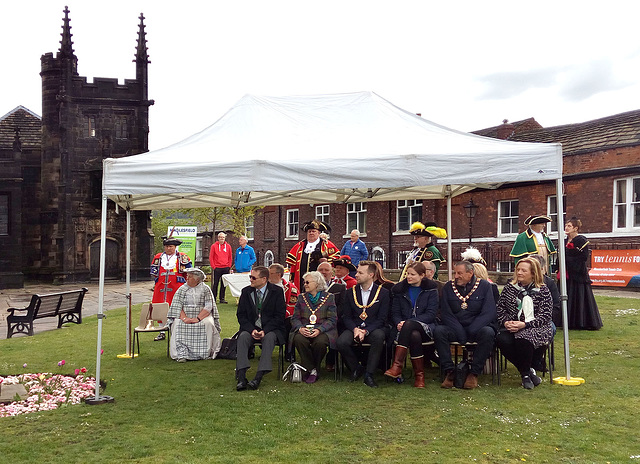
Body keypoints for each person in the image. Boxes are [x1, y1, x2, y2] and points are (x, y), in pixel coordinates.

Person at [435, 261, 497, 389]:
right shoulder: (448, 287)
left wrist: (473, 329)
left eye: (460, 273)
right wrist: (459, 331)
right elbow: (446, 313)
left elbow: (488, 311)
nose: (456, 276)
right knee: (439, 331)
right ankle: (449, 371)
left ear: (470, 273)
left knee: (488, 333)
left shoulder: (485, 286)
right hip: (455, 327)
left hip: (477, 327)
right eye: (455, 273)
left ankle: (474, 373)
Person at [496, 257, 554, 389]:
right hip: (512, 326)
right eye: (518, 270)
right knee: (501, 339)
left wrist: (524, 325)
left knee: (524, 337)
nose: (519, 273)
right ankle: (528, 372)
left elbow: (545, 316)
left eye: (523, 270)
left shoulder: (543, 291)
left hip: (536, 327)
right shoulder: (510, 288)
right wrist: (506, 322)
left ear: (533, 273)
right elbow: (500, 309)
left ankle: (525, 376)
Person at [384, 262, 439, 388]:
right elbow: (395, 312)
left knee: (410, 326)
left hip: (425, 327)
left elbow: (431, 314)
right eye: (407, 273)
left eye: (412, 274)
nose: (408, 276)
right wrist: (399, 322)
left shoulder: (431, 290)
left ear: (422, 275)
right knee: (414, 335)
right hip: (404, 329)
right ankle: (419, 377)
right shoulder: (399, 291)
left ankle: (397, 366)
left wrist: (408, 323)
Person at [337, 261, 390, 388]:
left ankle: (369, 374)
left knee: (378, 337)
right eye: (357, 272)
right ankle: (356, 367)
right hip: (354, 327)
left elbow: (382, 318)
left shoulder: (383, 293)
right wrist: (355, 329)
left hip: (374, 327)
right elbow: (347, 316)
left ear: (371, 275)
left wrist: (366, 331)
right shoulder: (350, 292)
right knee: (341, 342)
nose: (356, 275)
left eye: (360, 273)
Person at [235, 266, 286, 391]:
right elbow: (241, 315)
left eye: (253, 278)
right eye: (250, 277)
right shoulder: (246, 292)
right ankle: (241, 376)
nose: (250, 280)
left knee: (269, 339)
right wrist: (252, 330)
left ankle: (258, 376)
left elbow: (279, 316)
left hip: (270, 329)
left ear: (264, 279)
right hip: (250, 328)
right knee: (242, 338)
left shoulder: (277, 291)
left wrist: (265, 330)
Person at [291, 271, 338, 383]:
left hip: (323, 330)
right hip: (304, 328)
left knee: (320, 343)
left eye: (307, 282)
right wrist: (300, 328)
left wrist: (319, 329)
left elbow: (332, 319)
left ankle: (310, 368)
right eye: (304, 282)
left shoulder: (329, 298)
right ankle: (313, 369)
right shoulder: (301, 298)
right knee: (298, 339)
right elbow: (295, 318)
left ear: (317, 283)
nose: (305, 284)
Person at [167, 267, 221, 362]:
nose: (186, 278)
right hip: (184, 315)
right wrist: (184, 318)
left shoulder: (205, 289)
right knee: (177, 324)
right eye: (187, 276)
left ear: (197, 279)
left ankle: (204, 353)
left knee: (208, 323)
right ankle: (181, 354)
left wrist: (198, 318)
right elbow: (177, 305)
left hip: (202, 315)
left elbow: (209, 306)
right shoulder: (182, 289)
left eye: (190, 277)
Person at [150, 236, 192, 340]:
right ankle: (162, 330)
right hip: (161, 287)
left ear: (175, 247)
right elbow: (154, 272)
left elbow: (189, 272)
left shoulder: (182, 257)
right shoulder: (158, 257)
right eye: (167, 246)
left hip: (176, 287)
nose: (169, 248)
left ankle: (177, 330)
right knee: (160, 307)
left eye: (171, 246)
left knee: (177, 307)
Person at [564, 218, 602, 330]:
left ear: (575, 228)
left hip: (578, 273)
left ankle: (581, 321)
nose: (566, 227)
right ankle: (567, 321)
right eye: (566, 225)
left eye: (569, 226)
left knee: (579, 295)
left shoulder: (581, 240)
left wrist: (569, 260)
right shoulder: (565, 240)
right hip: (567, 273)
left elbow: (583, 257)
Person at [286, 220, 340, 291]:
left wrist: (327, 261)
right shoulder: (299, 246)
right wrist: (292, 278)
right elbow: (293, 264)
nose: (311, 233)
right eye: (309, 231)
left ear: (318, 233)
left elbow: (336, 258)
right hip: (301, 281)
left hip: (319, 280)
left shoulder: (326, 245)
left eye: (313, 231)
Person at [317, 261, 346, 371]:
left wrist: (329, 320)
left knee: (337, 331)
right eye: (321, 270)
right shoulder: (310, 286)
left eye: (327, 270)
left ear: (331, 273)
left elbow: (342, 307)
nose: (324, 272)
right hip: (315, 322)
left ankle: (331, 360)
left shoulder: (340, 288)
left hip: (334, 321)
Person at [268, 263, 299, 361]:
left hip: (283, 318)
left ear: (278, 275)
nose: (268, 276)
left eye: (270, 273)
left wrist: (279, 316)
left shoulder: (291, 288)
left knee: (290, 324)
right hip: (266, 317)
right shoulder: (264, 286)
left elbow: (292, 306)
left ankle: (289, 352)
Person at [530, 254, 561, 329]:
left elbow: (556, 306)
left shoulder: (549, 283)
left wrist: (540, 319)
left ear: (540, 268)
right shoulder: (515, 283)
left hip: (543, 320)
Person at [209, 232, 233, 304]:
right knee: (216, 283)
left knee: (224, 284)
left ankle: (222, 298)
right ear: (218, 238)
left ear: (225, 238)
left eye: (223, 237)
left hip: (225, 267)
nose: (221, 239)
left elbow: (230, 257)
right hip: (217, 268)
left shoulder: (228, 246)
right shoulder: (214, 246)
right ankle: (214, 298)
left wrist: (229, 266)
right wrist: (214, 266)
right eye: (220, 237)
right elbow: (211, 257)